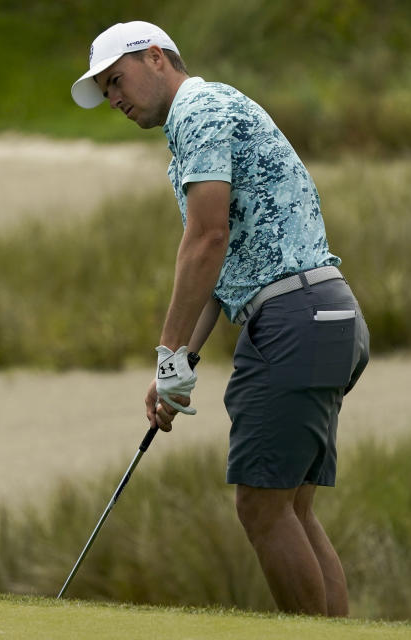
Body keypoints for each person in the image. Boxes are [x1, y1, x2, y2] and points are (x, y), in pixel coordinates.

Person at [71, 21, 370, 616]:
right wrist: (177, 363)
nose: (115, 99)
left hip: (293, 318)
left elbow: (207, 239)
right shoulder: (201, 123)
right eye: (105, 92)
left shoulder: (200, 110)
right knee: (291, 510)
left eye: (116, 81)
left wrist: (167, 349)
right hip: (324, 313)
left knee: (261, 508)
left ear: (155, 58)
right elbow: (224, 266)